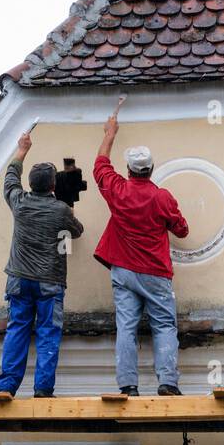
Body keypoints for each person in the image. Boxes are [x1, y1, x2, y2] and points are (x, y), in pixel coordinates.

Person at [93, 113, 189, 396]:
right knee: (164, 326)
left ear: (129, 170)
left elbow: (100, 165)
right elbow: (182, 230)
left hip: (122, 270)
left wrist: (109, 133)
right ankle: (167, 382)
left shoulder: (118, 189)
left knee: (126, 327)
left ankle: (128, 385)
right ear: (151, 169)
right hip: (155, 272)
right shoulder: (162, 197)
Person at [0, 132, 84, 398]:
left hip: (19, 278)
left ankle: (6, 387)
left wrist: (22, 149)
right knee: (48, 332)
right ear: (53, 185)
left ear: (31, 184)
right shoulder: (60, 210)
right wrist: (69, 206)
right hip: (49, 282)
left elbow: (10, 177)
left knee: (17, 328)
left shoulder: (19, 202)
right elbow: (76, 231)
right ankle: (43, 389)